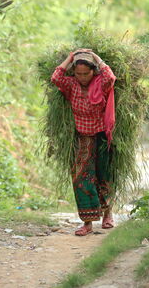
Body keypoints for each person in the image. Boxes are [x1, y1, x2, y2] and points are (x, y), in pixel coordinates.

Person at [51, 49, 117, 236]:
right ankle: (87, 223)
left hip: (102, 137)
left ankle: (107, 214)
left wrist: (96, 57)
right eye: (78, 73)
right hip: (82, 138)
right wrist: (71, 57)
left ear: (93, 71)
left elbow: (110, 77)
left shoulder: (101, 84)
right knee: (81, 178)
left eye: (86, 73)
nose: (82, 77)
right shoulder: (71, 85)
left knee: (104, 175)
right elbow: (56, 77)